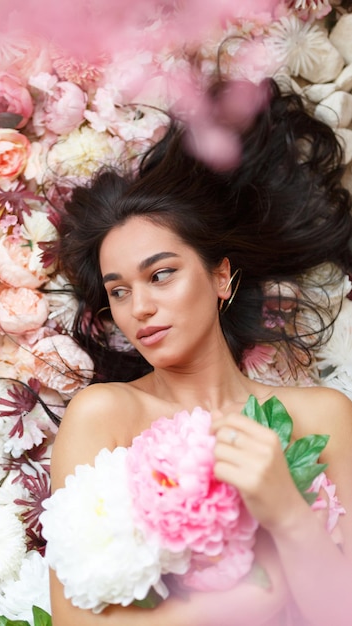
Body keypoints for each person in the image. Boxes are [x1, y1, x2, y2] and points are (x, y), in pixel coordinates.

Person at [48, 78, 352, 625]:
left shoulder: (323, 416)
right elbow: (75, 621)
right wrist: (244, 606)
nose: (139, 307)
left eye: (161, 275)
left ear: (220, 278)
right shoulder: (105, 416)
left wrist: (286, 511)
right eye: (119, 291)